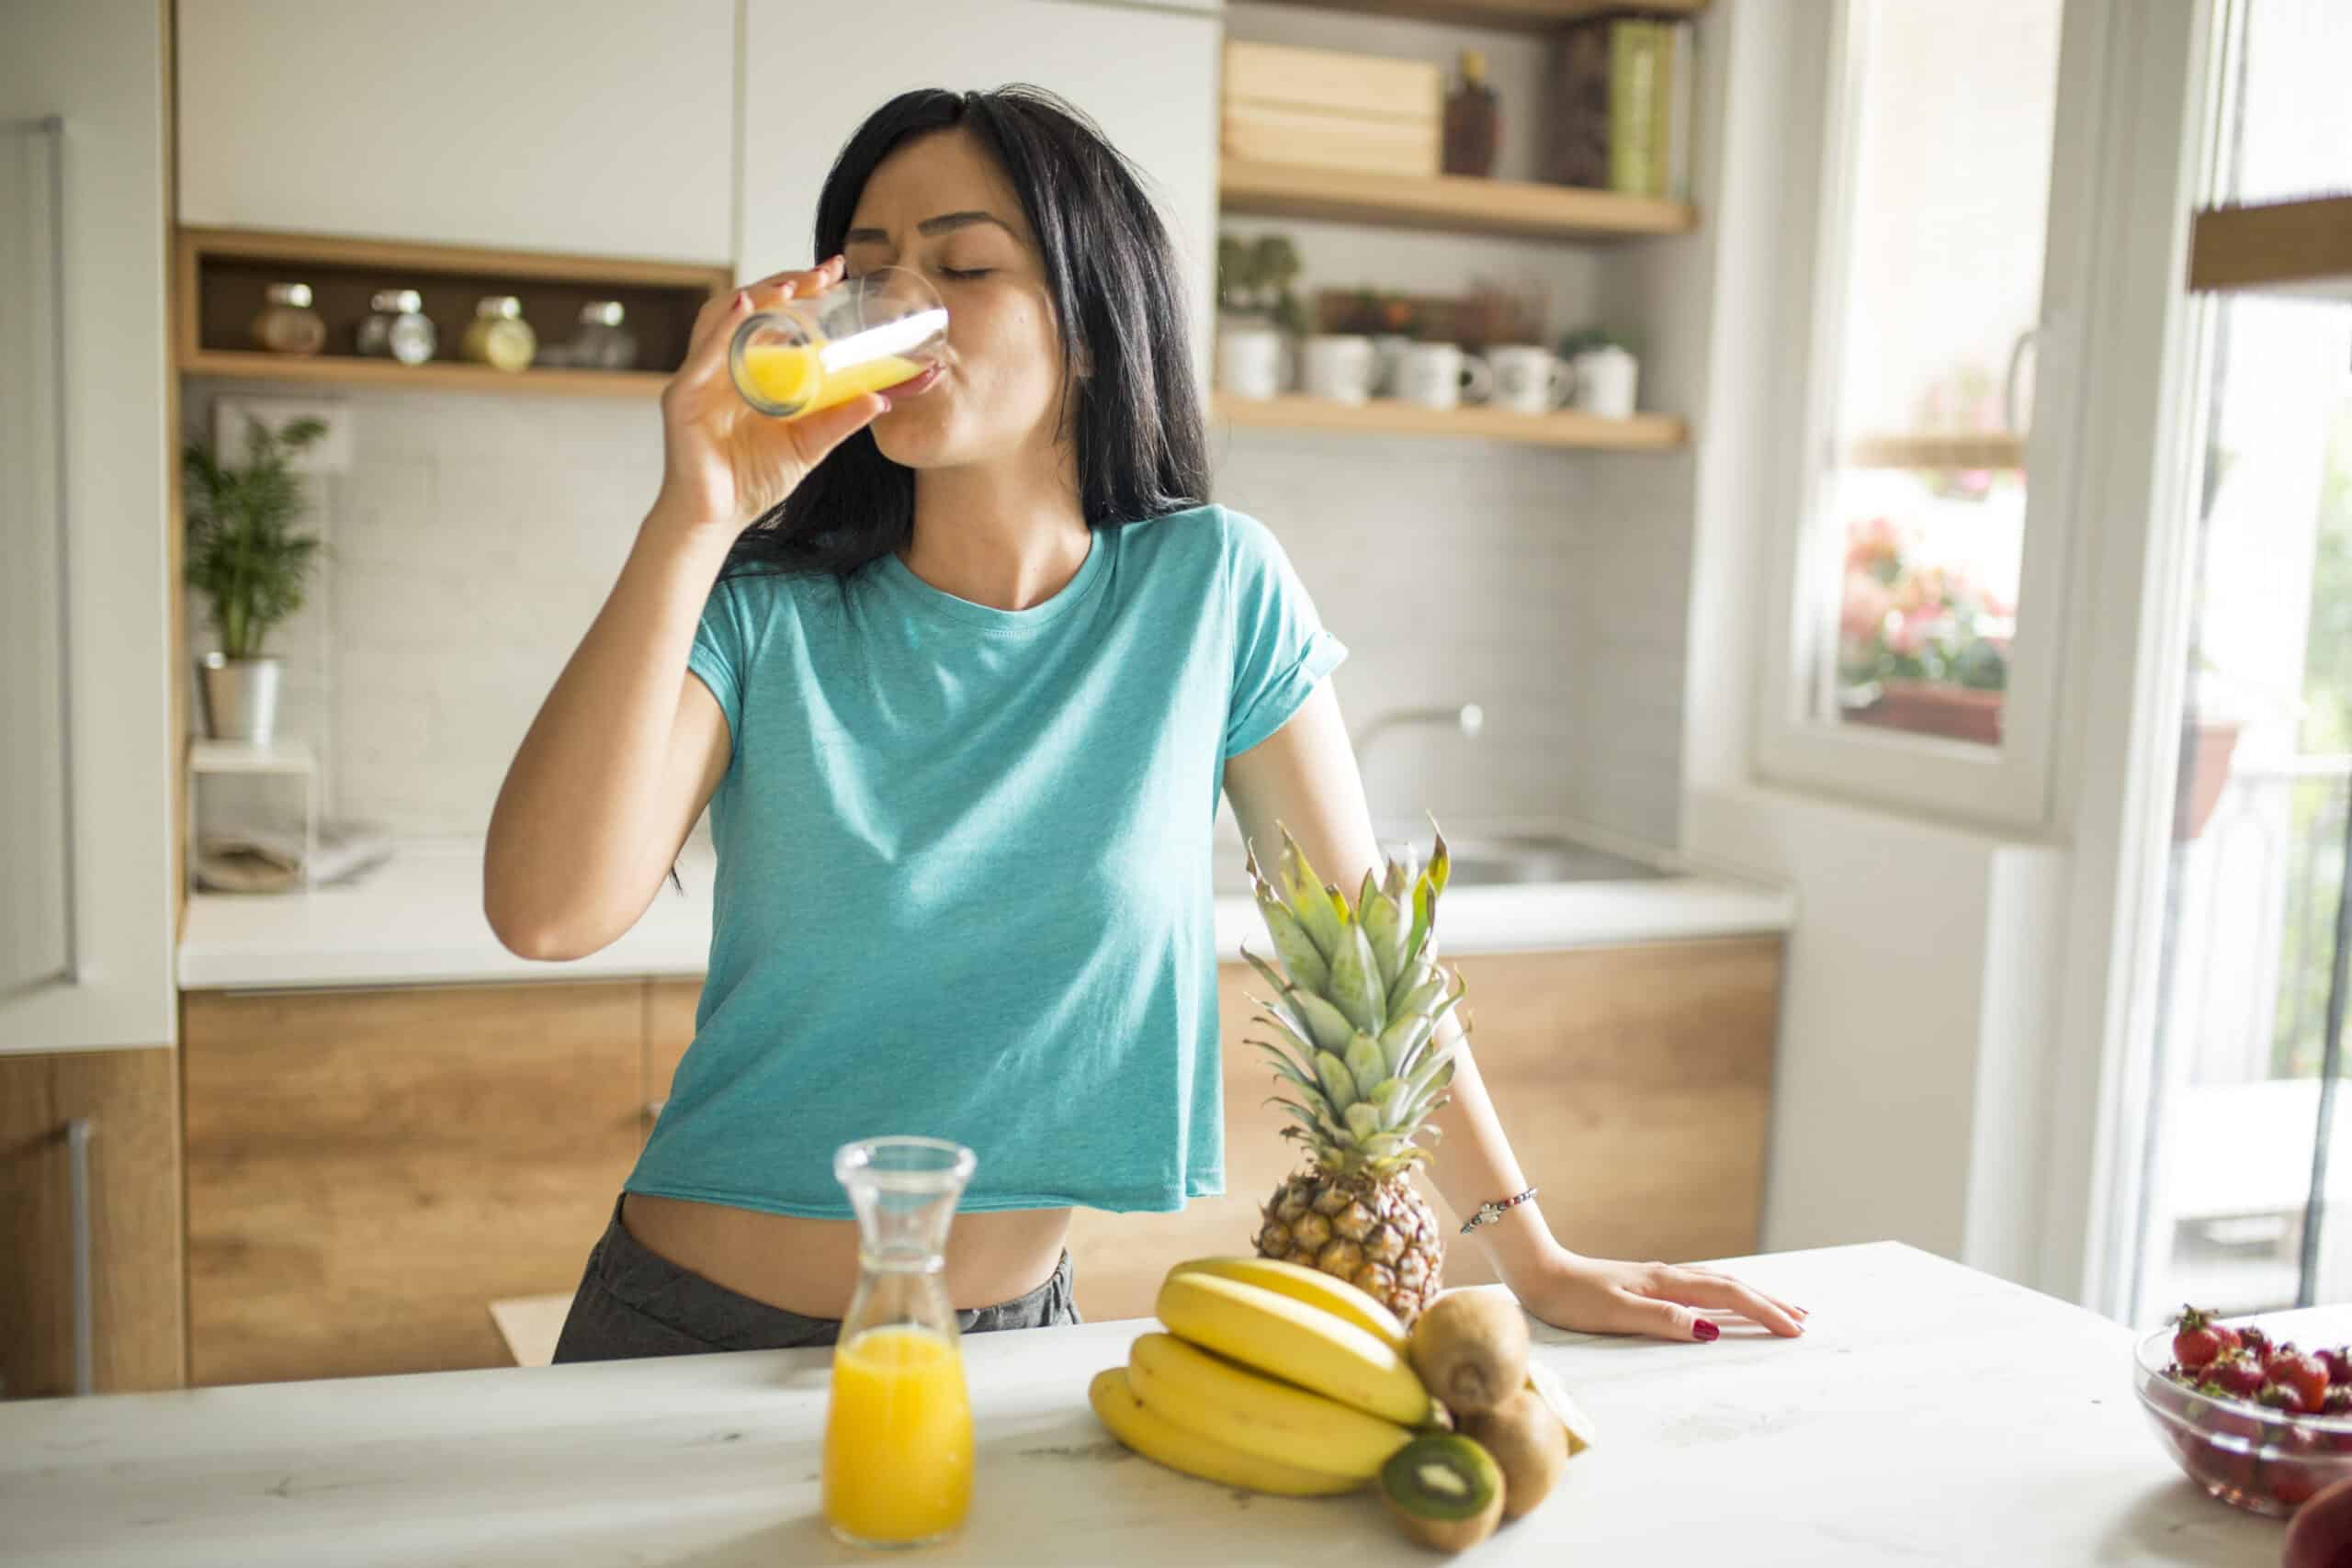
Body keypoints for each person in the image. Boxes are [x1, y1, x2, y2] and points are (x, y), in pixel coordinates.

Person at [484, 85, 1807, 1361]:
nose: (903, 307)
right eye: (872, 267)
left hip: (1008, 1347)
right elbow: (547, 913)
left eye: (967, 268)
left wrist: (1537, 1257)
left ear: (1096, 327)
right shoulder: (766, 609)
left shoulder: (1211, 589)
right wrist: (695, 514)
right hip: (687, 1334)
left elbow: (1362, 958)